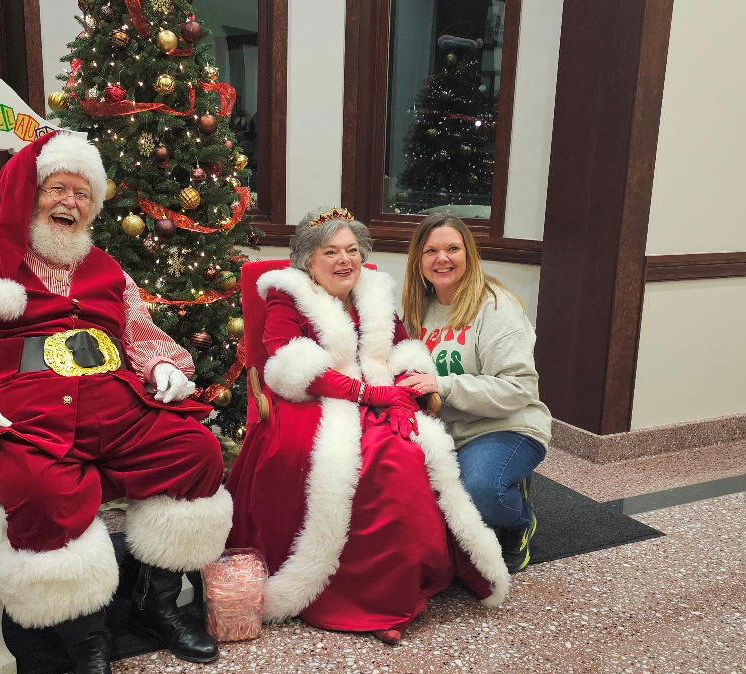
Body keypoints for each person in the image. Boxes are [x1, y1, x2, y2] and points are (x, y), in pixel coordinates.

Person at [0, 130, 233, 674]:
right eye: (57, 189)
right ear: (30, 194)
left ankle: (153, 602)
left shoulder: (107, 268)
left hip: (120, 409)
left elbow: (140, 333)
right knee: (42, 488)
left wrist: (162, 364)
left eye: (83, 193)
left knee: (196, 449)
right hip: (26, 417)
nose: (71, 203)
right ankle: (86, 642)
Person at [225, 207, 509, 645]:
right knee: (362, 462)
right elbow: (289, 365)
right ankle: (355, 597)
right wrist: (368, 395)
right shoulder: (287, 295)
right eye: (331, 252)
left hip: (376, 397)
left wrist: (402, 393)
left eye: (353, 250)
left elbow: (402, 348)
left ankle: (398, 587)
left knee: (407, 449)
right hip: (312, 404)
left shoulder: (373, 292)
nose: (345, 260)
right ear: (308, 261)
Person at [399, 213, 552, 573]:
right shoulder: (418, 307)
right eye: (431, 251)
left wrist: (444, 385)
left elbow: (519, 387)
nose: (442, 258)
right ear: (418, 260)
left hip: (503, 426)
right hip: (444, 432)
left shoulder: (496, 306)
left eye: (453, 248)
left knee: (480, 490)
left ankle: (517, 521)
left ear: (468, 253)